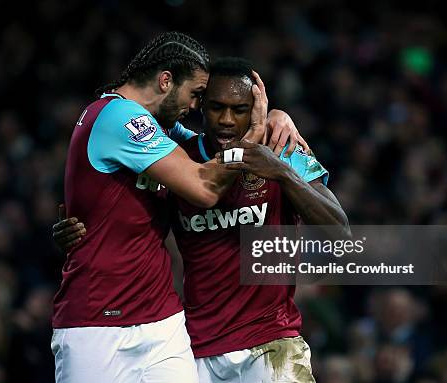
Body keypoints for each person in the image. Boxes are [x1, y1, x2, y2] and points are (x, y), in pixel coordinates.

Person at [54, 57, 349, 382]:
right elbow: (123, 204)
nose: (225, 120)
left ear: (255, 111)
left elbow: (340, 234)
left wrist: (281, 172)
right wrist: (77, 230)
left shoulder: (281, 149)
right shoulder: (181, 160)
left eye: (239, 110)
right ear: (200, 106)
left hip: (270, 343)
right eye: (216, 107)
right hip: (194, 349)